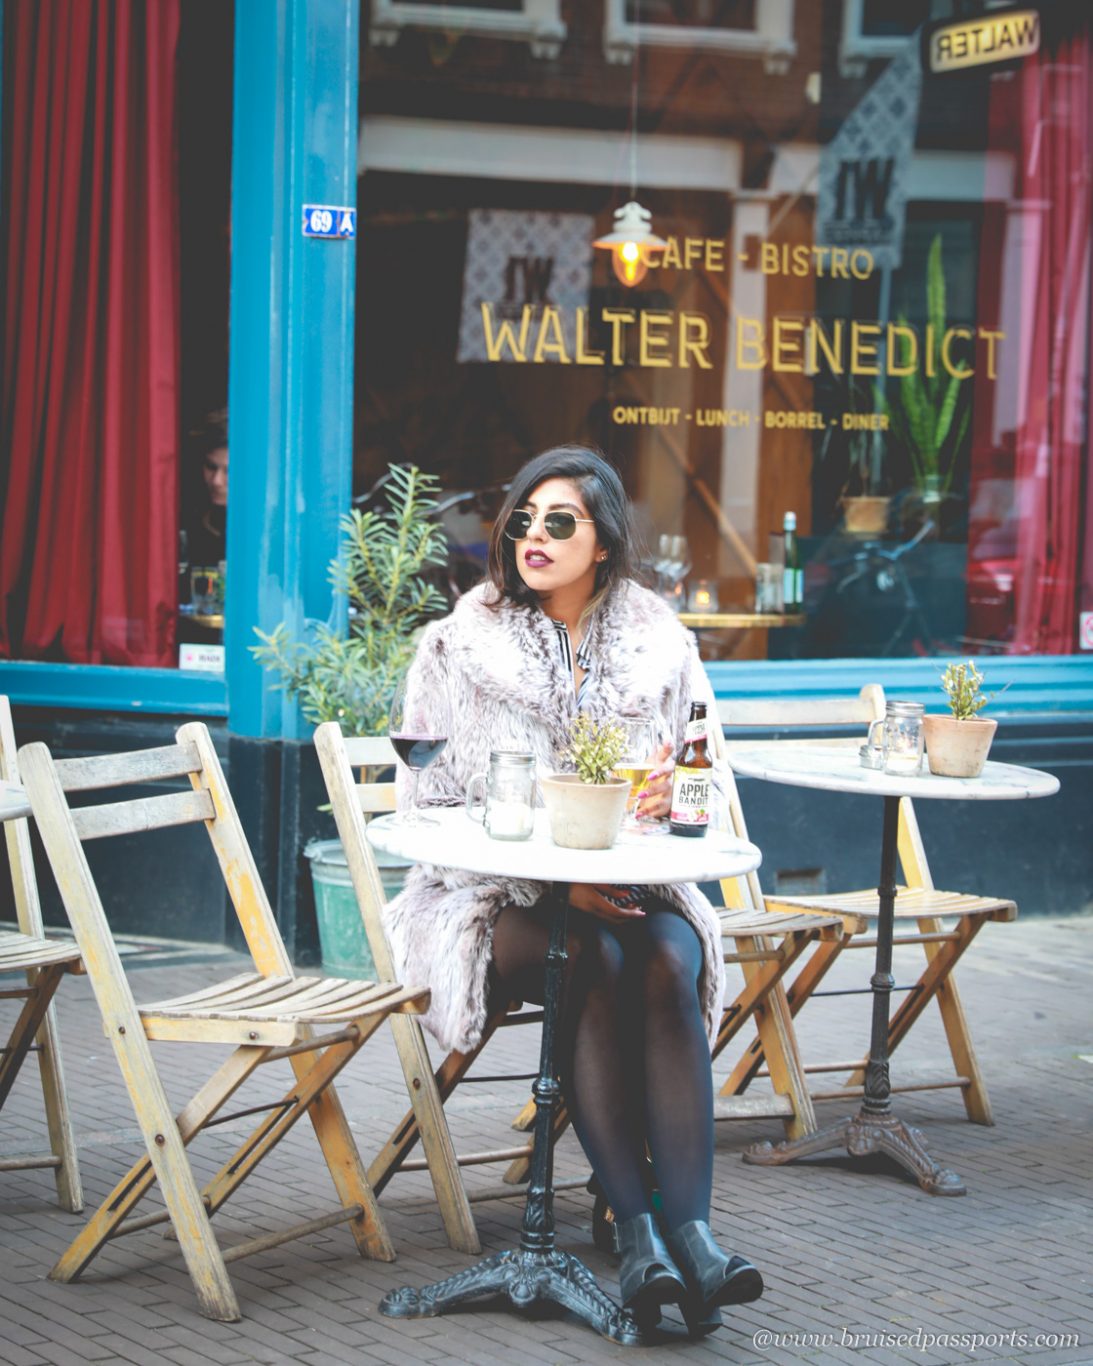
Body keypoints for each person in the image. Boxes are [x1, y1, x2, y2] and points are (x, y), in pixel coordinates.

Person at [385, 445, 763, 1336]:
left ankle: (695, 1241)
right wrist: (552, 886)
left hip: (634, 889)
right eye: (522, 519)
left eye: (560, 521)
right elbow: (426, 808)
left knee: (673, 955)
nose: (534, 535)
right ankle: (636, 1238)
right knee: (582, 953)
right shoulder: (456, 645)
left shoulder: (660, 644)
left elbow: (705, 774)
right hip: (490, 900)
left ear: (603, 542)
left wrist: (679, 796)